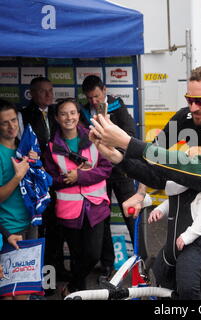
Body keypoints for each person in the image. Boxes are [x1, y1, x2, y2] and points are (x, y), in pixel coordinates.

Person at [89, 89, 201, 300]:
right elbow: (166, 178)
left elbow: (192, 169)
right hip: (195, 260)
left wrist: (128, 143)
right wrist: (119, 159)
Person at [43, 98, 112, 297]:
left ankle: (72, 286)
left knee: (92, 255)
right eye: (63, 113)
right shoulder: (51, 147)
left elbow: (106, 169)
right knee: (76, 255)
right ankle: (79, 292)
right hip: (68, 209)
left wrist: (80, 176)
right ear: (56, 117)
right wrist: (68, 178)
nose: (69, 117)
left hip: (95, 206)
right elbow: (49, 178)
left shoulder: (95, 137)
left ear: (79, 115)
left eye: (72, 113)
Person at [80, 75, 140, 280]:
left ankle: (140, 259)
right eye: (90, 98)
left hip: (121, 169)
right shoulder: (84, 111)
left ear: (104, 90)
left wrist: (112, 140)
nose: (94, 101)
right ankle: (107, 264)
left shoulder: (116, 105)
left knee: (132, 214)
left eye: (96, 96)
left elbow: (131, 133)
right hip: (98, 173)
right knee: (102, 218)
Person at [148, 146, 201, 299]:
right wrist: (160, 210)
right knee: (159, 278)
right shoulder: (178, 185)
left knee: (188, 287)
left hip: (195, 243)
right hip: (172, 243)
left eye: (196, 161)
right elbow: (173, 201)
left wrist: (189, 235)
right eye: (187, 159)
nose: (189, 164)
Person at [19, 77, 70, 286]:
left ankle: (58, 272)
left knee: (58, 229)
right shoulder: (24, 115)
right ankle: (43, 279)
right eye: (43, 92)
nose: (49, 95)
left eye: (51, 90)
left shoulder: (59, 112)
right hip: (37, 182)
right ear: (32, 93)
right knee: (42, 230)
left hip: (59, 178)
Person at [0, 99, 39, 300]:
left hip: (30, 223)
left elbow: (38, 187)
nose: (11, 126)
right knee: (8, 294)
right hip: (7, 228)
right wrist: (17, 177)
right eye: (5, 122)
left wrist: (35, 164)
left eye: (14, 120)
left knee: (24, 291)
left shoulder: (24, 147)